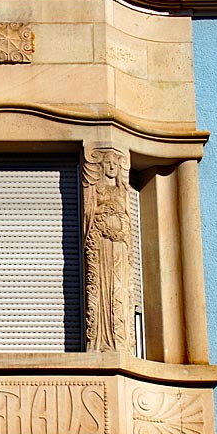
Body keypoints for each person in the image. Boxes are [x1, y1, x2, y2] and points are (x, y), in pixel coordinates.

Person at [83, 149, 133, 354]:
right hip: (102, 246)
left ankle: (121, 340)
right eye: (108, 162)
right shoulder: (98, 190)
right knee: (102, 288)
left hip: (119, 247)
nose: (112, 166)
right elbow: (89, 219)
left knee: (118, 289)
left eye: (115, 163)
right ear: (101, 166)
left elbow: (128, 221)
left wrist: (119, 234)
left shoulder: (123, 192)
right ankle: (100, 338)